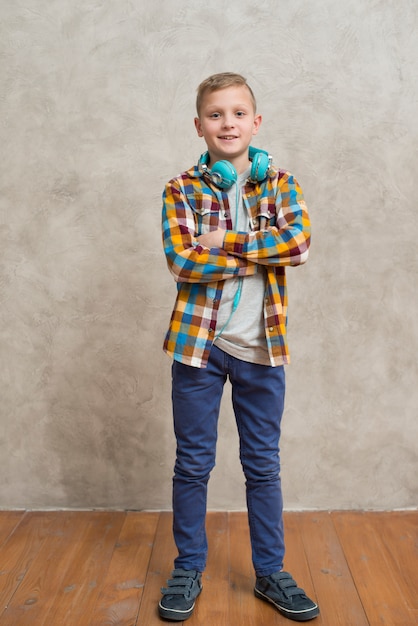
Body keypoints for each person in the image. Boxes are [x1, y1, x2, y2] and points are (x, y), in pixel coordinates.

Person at [159, 72, 319, 623]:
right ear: (199, 125)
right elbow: (183, 261)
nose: (227, 123)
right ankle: (188, 568)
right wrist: (259, 250)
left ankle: (271, 572)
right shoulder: (181, 189)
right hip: (198, 348)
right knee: (193, 463)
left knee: (263, 466)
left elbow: (297, 245)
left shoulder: (280, 184)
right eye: (215, 114)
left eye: (237, 113)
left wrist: (224, 240)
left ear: (256, 122)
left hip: (262, 349)